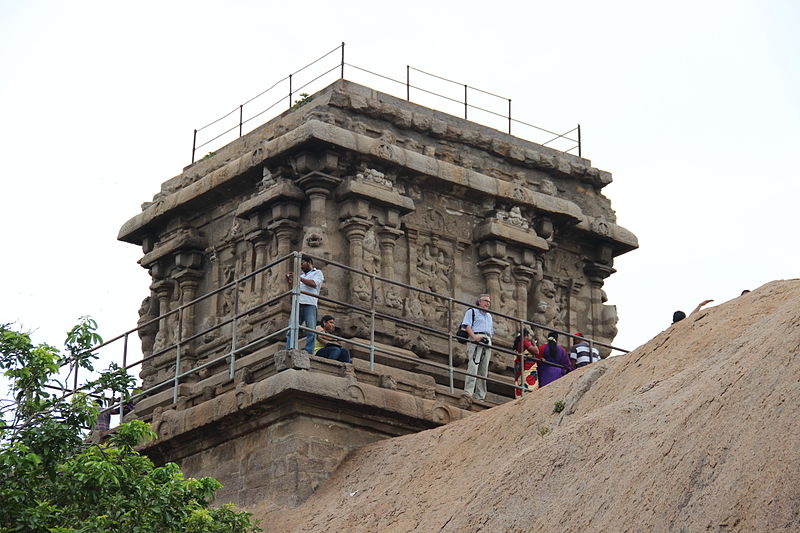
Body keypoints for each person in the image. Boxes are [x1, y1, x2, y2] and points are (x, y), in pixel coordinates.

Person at [285, 255, 324, 353]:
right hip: (298, 303)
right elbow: (294, 289)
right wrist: (290, 281)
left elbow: (314, 284)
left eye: (302, 263)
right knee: (292, 329)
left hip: (310, 303)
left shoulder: (317, 273)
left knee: (311, 329)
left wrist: (298, 278)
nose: (301, 266)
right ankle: (290, 349)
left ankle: (309, 351)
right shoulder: (301, 276)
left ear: (309, 262)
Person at [462, 294, 494, 401]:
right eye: (485, 301)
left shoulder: (489, 316)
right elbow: (467, 326)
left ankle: (480, 396)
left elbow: (490, 331)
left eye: (489, 302)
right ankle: (468, 392)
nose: (487, 303)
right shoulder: (472, 311)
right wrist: (475, 338)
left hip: (487, 339)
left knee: (483, 370)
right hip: (476, 337)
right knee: (473, 366)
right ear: (479, 302)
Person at [513, 328, 539, 398]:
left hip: (523, 367)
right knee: (528, 385)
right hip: (527, 368)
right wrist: (534, 344)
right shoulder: (524, 342)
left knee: (522, 383)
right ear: (526, 335)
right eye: (529, 335)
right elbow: (536, 351)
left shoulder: (519, 343)